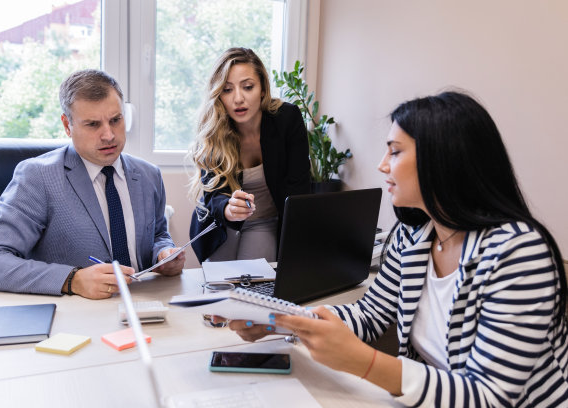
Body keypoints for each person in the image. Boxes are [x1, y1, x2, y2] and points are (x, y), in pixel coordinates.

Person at [229, 91, 568, 406]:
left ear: (441, 160)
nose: (382, 165)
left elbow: (489, 397)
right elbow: (370, 315)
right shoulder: (414, 235)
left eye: (395, 151)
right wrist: (276, 321)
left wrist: (365, 362)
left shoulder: (519, 253)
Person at [0, 69, 185, 299]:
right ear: (67, 125)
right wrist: (72, 280)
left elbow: (158, 234)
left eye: (115, 120)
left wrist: (163, 256)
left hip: (145, 308)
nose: (109, 135)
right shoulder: (38, 177)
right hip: (73, 320)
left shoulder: (149, 175)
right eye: (93, 124)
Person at [188, 47, 310, 263]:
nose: (238, 98)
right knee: (220, 285)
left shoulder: (287, 119)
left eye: (247, 87)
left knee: (253, 286)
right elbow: (212, 195)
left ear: (262, 88)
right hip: (222, 224)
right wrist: (227, 209)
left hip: (266, 221)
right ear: (219, 95)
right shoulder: (213, 128)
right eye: (227, 90)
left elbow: (299, 188)